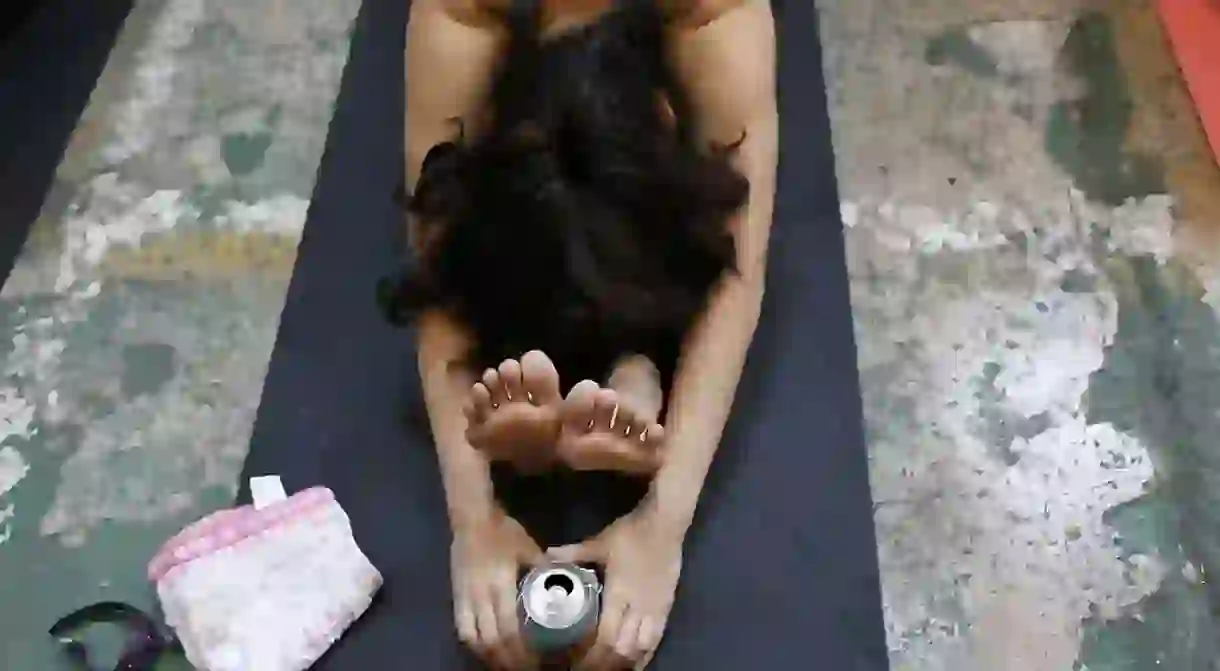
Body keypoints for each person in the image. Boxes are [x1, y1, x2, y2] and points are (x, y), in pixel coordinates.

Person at [385, 0, 776, 667]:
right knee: (530, 225)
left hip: (650, 122)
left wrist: (661, 524)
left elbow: (739, 269)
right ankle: (605, 365)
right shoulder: (460, 15)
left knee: (663, 232)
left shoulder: (715, 15)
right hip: (509, 100)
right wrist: (474, 517)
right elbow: (436, 258)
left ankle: (634, 363)